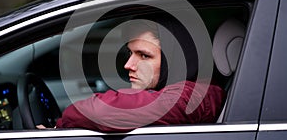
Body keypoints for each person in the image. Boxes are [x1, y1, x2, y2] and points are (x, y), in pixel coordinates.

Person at [37, 15, 226, 132]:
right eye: (130, 53)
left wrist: (61, 126)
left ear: (176, 61)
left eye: (144, 56)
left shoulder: (192, 97)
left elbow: (103, 110)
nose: (128, 65)